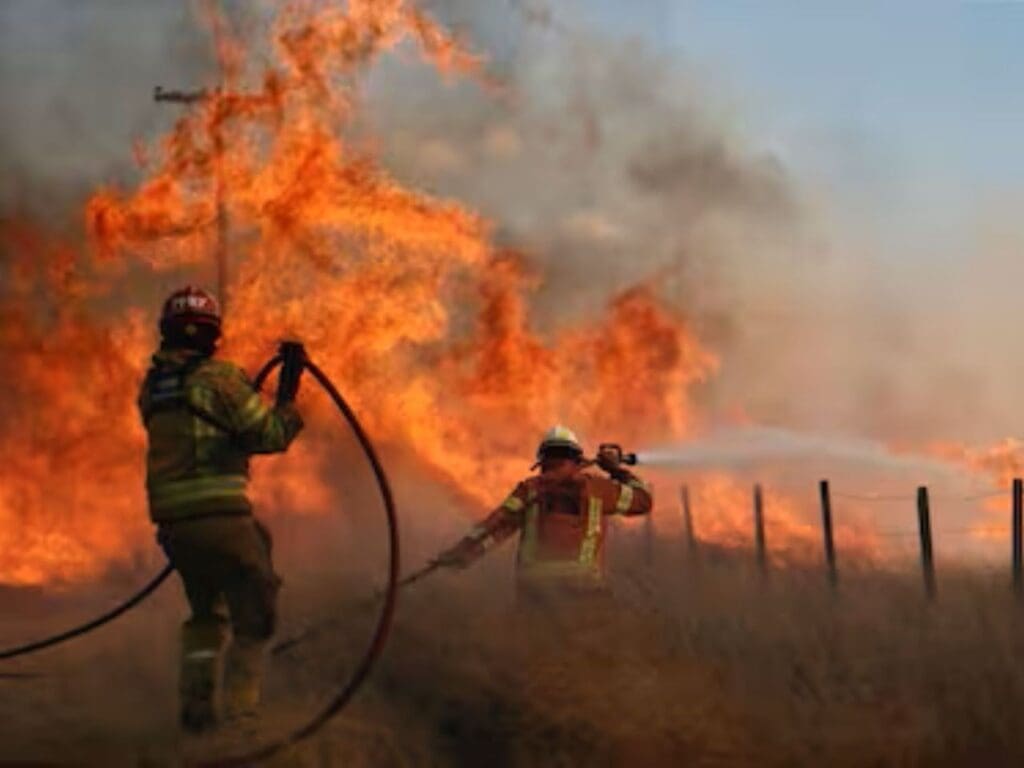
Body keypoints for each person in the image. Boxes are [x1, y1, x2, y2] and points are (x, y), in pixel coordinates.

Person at [137, 286, 304, 731]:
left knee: (207, 615)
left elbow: (206, 431)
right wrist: (288, 396)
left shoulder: (153, 388)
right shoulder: (219, 378)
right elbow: (270, 434)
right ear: (212, 335)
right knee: (257, 613)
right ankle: (241, 717)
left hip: (175, 527)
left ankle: (196, 710)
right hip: (221, 520)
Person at [433, 425, 652, 603]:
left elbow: (497, 527)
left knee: (535, 651)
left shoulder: (530, 489)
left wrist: (461, 554)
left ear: (542, 460)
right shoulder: (598, 489)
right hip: (584, 591)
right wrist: (616, 470)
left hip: (535, 594)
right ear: (577, 459)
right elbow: (643, 500)